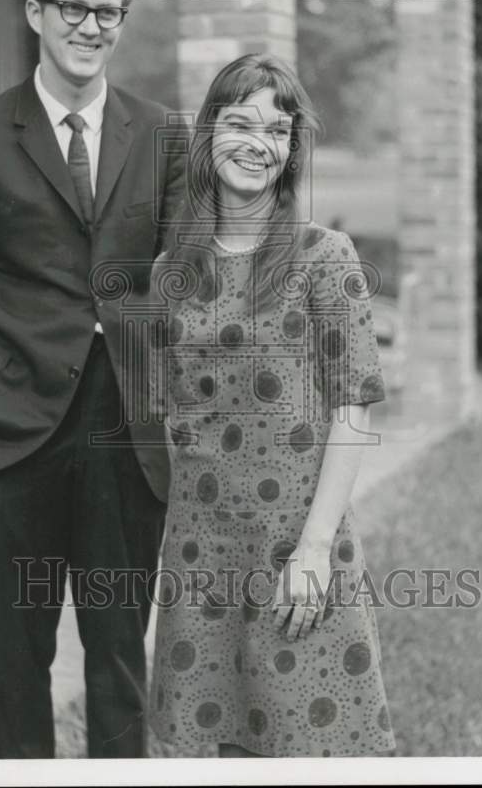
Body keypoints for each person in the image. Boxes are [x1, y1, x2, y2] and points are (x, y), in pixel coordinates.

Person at [0, 0, 187, 759]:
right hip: (14, 436)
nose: (91, 26)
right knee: (19, 664)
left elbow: (188, 285)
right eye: (74, 7)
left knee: (117, 659)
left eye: (108, 11)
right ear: (34, 12)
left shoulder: (162, 133)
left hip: (126, 438)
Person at [147, 53, 396, 758]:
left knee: (310, 743)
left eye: (279, 131)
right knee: (216, 747)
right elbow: (176, 415)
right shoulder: (172, 270)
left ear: (290, 152)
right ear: (208, 136)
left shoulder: (324, 257)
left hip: (297, 543)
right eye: (241, 123)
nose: (261, 143)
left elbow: (353, 406)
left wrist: (315, 548)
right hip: (200, 553)